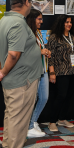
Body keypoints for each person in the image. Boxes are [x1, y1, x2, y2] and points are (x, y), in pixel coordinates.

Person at [0, 0, 42, 148]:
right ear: (26, 2)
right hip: (22, 81)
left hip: (13, 80)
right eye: (30, 2)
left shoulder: (3, 21)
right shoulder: (19, 23)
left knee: (12, 116)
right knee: (19, 120)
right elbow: (13, 54)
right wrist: (3, 71)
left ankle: (7, 146)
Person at [47, 15, 74, 132]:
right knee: (61, 96)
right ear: (61, 23)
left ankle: (62, 118)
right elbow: (51, 57)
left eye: (70, 22)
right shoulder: (54, 37)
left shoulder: (72, 36)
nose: (69, 24)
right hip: (61, 71)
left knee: (69, 96)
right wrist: (52, 72)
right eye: (66, 22)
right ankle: (52, 121)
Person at [26, 9, 51, 137]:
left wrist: (46, 51)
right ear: (32, 19)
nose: (42, 21)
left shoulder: (39, 33)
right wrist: (40, 52)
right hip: (32, 71)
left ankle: (33, 121)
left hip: (43, 69)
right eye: (39, 19)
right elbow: (23, 53)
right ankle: (29, 127)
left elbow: (41, 48)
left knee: (44, 97)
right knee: (31, 99)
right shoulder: (26, 33)